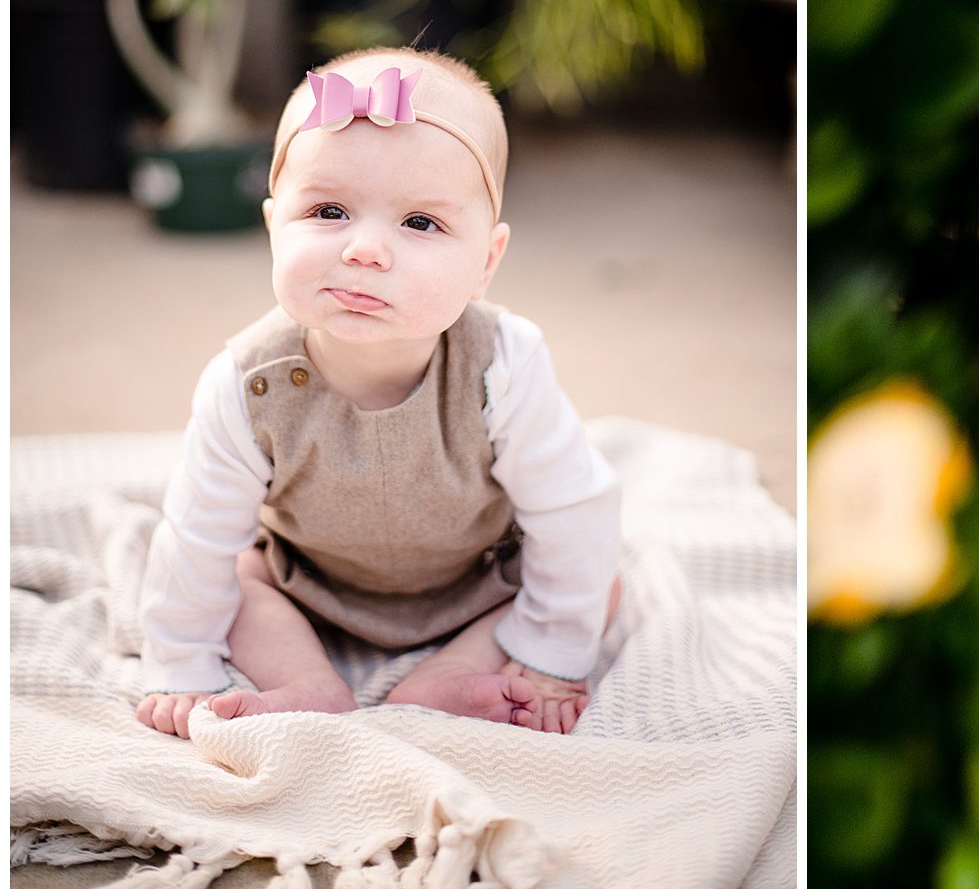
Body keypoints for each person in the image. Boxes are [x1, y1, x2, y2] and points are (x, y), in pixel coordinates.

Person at [134, 47, 620, 740]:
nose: (365, 250)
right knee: (230, 576)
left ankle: (444, 676)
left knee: (597, 579)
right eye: (328, 210)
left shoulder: (503, 363)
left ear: (487, 262)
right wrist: (179, 661)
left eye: (420, 223)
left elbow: (573, 507)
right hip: (308, 586)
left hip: (478, 582)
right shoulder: (248, 384)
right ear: (274, 228)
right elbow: (198, 534)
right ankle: (307, 682)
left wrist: (553, 654)